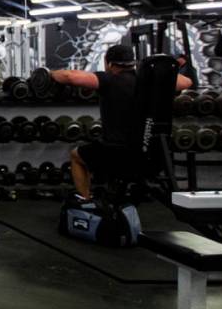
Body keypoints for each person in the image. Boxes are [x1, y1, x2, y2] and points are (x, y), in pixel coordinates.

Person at [50, 45, 193, 202]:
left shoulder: (109, 79)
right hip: (153, 156)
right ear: (132, 63)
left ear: (109, 64)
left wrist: (49, 73)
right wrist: (158, 76)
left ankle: (85, 200)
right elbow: (186, 82)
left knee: (76, 156)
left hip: (117, 155)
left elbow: (70, 77)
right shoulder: (146, 82)